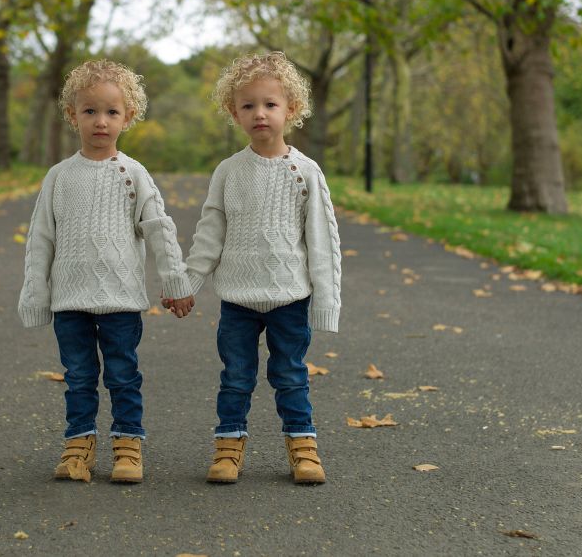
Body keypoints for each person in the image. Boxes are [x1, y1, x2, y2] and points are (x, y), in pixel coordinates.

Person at [166, 52, 341, 484]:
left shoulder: (306, 172)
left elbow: (322, 243)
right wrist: (187, 282)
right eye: (248, 105)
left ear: (291, 109)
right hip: (238, 301)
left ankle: (303, 448)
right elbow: (210, 233)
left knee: (290, 376)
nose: (260, 113)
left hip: (289, 299)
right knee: (235, 377)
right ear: (234, 113)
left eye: (270, 104)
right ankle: (228, 447)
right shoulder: (228, 172)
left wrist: (326, 304)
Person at [18, 59, 194, 484]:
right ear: (72, 115)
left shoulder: (134, 174)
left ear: (127, 117)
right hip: (70, 301)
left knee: (122, 375)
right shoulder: (59, 177)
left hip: (121, 301)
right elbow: (41, 238)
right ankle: (78, 444)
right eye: (90, 111)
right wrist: (36, 294)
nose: (101, 121)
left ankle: (128, 444)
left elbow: (159, 228)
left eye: (112, 112)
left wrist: (175, 280)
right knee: (78, 377)